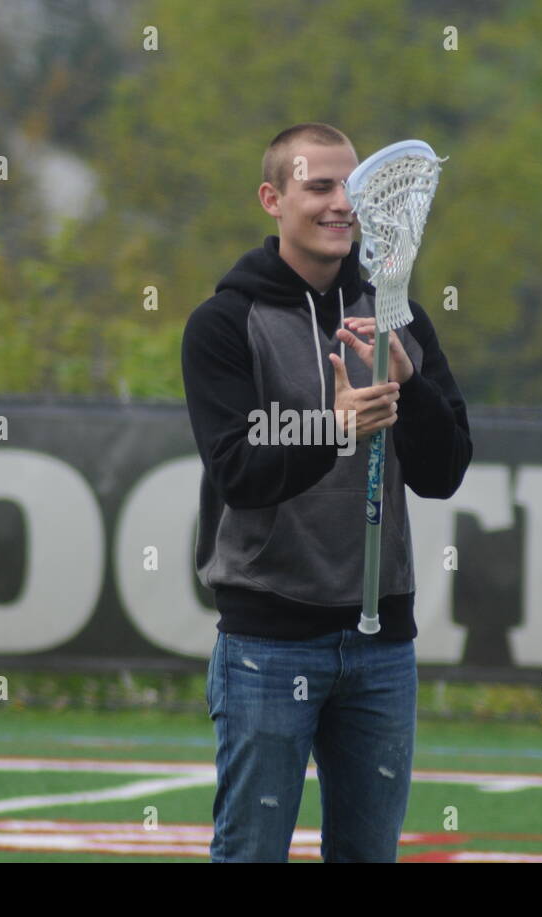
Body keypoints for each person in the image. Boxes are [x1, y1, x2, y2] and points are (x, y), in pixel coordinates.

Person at [181, 121, 472, 862]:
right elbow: (240, 472)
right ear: (272, 199)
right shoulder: (221, 324)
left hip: (383, 645)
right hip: (266, 642)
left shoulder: (397, 315)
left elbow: (444, 473)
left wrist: (409, 385)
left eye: (352, 186)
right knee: (250, 853)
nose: (342, 203)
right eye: (319, 186)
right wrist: (333, 426)